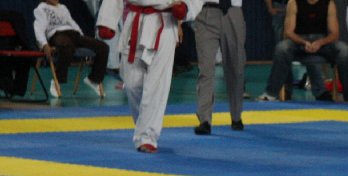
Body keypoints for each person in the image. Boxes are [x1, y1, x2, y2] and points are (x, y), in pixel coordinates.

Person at [96, 0, 190, 152]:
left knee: (156, 85)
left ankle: (147, 137)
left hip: (165, 23)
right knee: (132, 84)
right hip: (135, 21)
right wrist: (107, 21)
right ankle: (144, 127)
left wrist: (186, 9)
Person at [255, 0, 348, 103]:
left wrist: (320, 43)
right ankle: (271, 93)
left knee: (344, 50)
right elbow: (288, 32)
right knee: (282, 48)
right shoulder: (293, 3)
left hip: (321, 42)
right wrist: (304, 42)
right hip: (298, 42)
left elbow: (334, 34)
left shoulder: (329, 3)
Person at [33, 0, 109, 98]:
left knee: (103, 47)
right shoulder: (41, 9)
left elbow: (72, 23)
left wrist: (82, 37)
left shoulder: (63, 7)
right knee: (66, 46)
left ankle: (94, 79)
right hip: (57, 34)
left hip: (73, 34)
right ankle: (57, 81)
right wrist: (44, 44)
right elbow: (38, 29)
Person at [192, 0, 245, 135]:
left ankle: (236, 116)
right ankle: (204, 120)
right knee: (205, 69)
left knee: (236, 67)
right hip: (206, 11)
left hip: (232, 11)